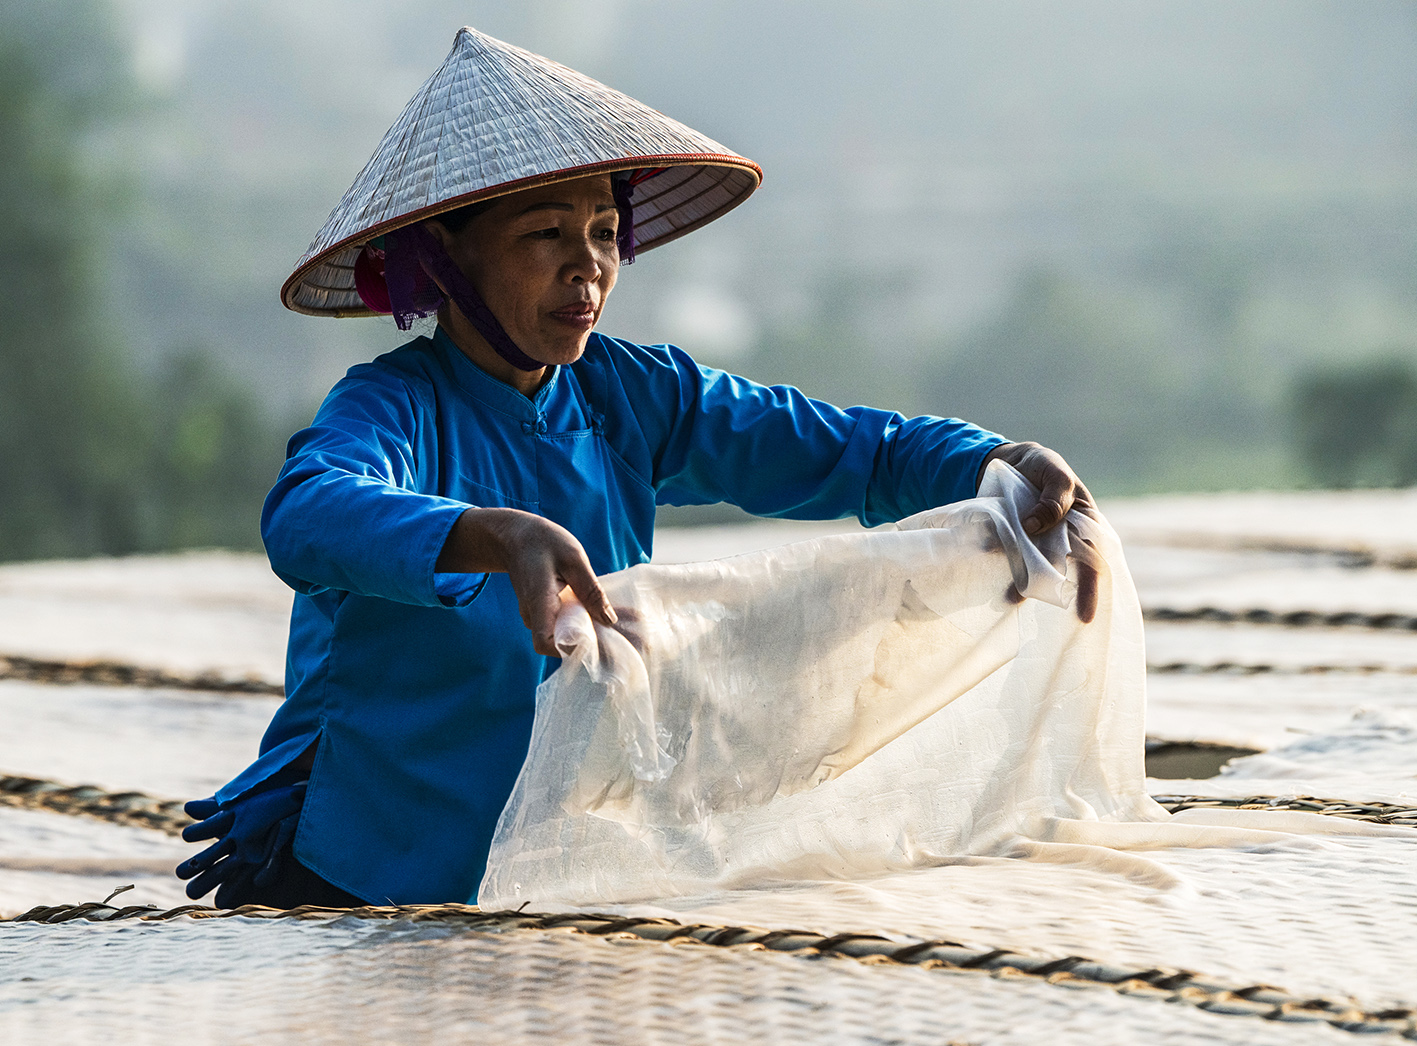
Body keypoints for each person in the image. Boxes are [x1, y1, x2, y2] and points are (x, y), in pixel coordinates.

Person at [175, 27, 1095, 909]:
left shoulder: (633, 395)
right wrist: (493, 534)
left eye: (605, 234)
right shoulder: (394, 406)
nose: (587, 269)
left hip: (552, 860)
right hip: (363, 866)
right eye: (544, 234)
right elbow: (308, 513)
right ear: (446, 253)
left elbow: (850, 450)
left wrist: (991, 463)